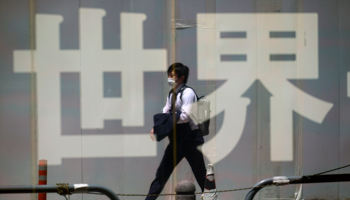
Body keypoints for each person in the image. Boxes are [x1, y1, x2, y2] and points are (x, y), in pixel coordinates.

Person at [146, 63, 206, 200]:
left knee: (201, 175)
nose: (169, 78)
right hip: (176, 141)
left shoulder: (188, 93)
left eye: (172, 75)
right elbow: (165, 112)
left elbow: (185, 117)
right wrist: (156, 127)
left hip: (191, 140)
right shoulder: (172, 94)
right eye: (169, 75)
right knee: (161, 174)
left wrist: (168, 119)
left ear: (182, 77)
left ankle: (212, 198)